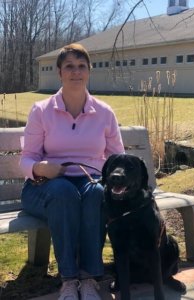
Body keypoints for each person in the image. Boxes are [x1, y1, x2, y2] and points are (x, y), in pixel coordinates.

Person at [19, 43, 124, 300]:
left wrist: (113, 179)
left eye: (81, 67)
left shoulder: (104, 112)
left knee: (96, 194)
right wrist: (40, 167)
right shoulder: (41, 111)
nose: (75, 72)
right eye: (69, 66)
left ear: (88, 71)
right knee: (64, 191)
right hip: (44, 187)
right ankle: (68, 280)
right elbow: (27, 158)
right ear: (59, 72)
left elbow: (117, 157)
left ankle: (89, 278)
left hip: (90, 183)